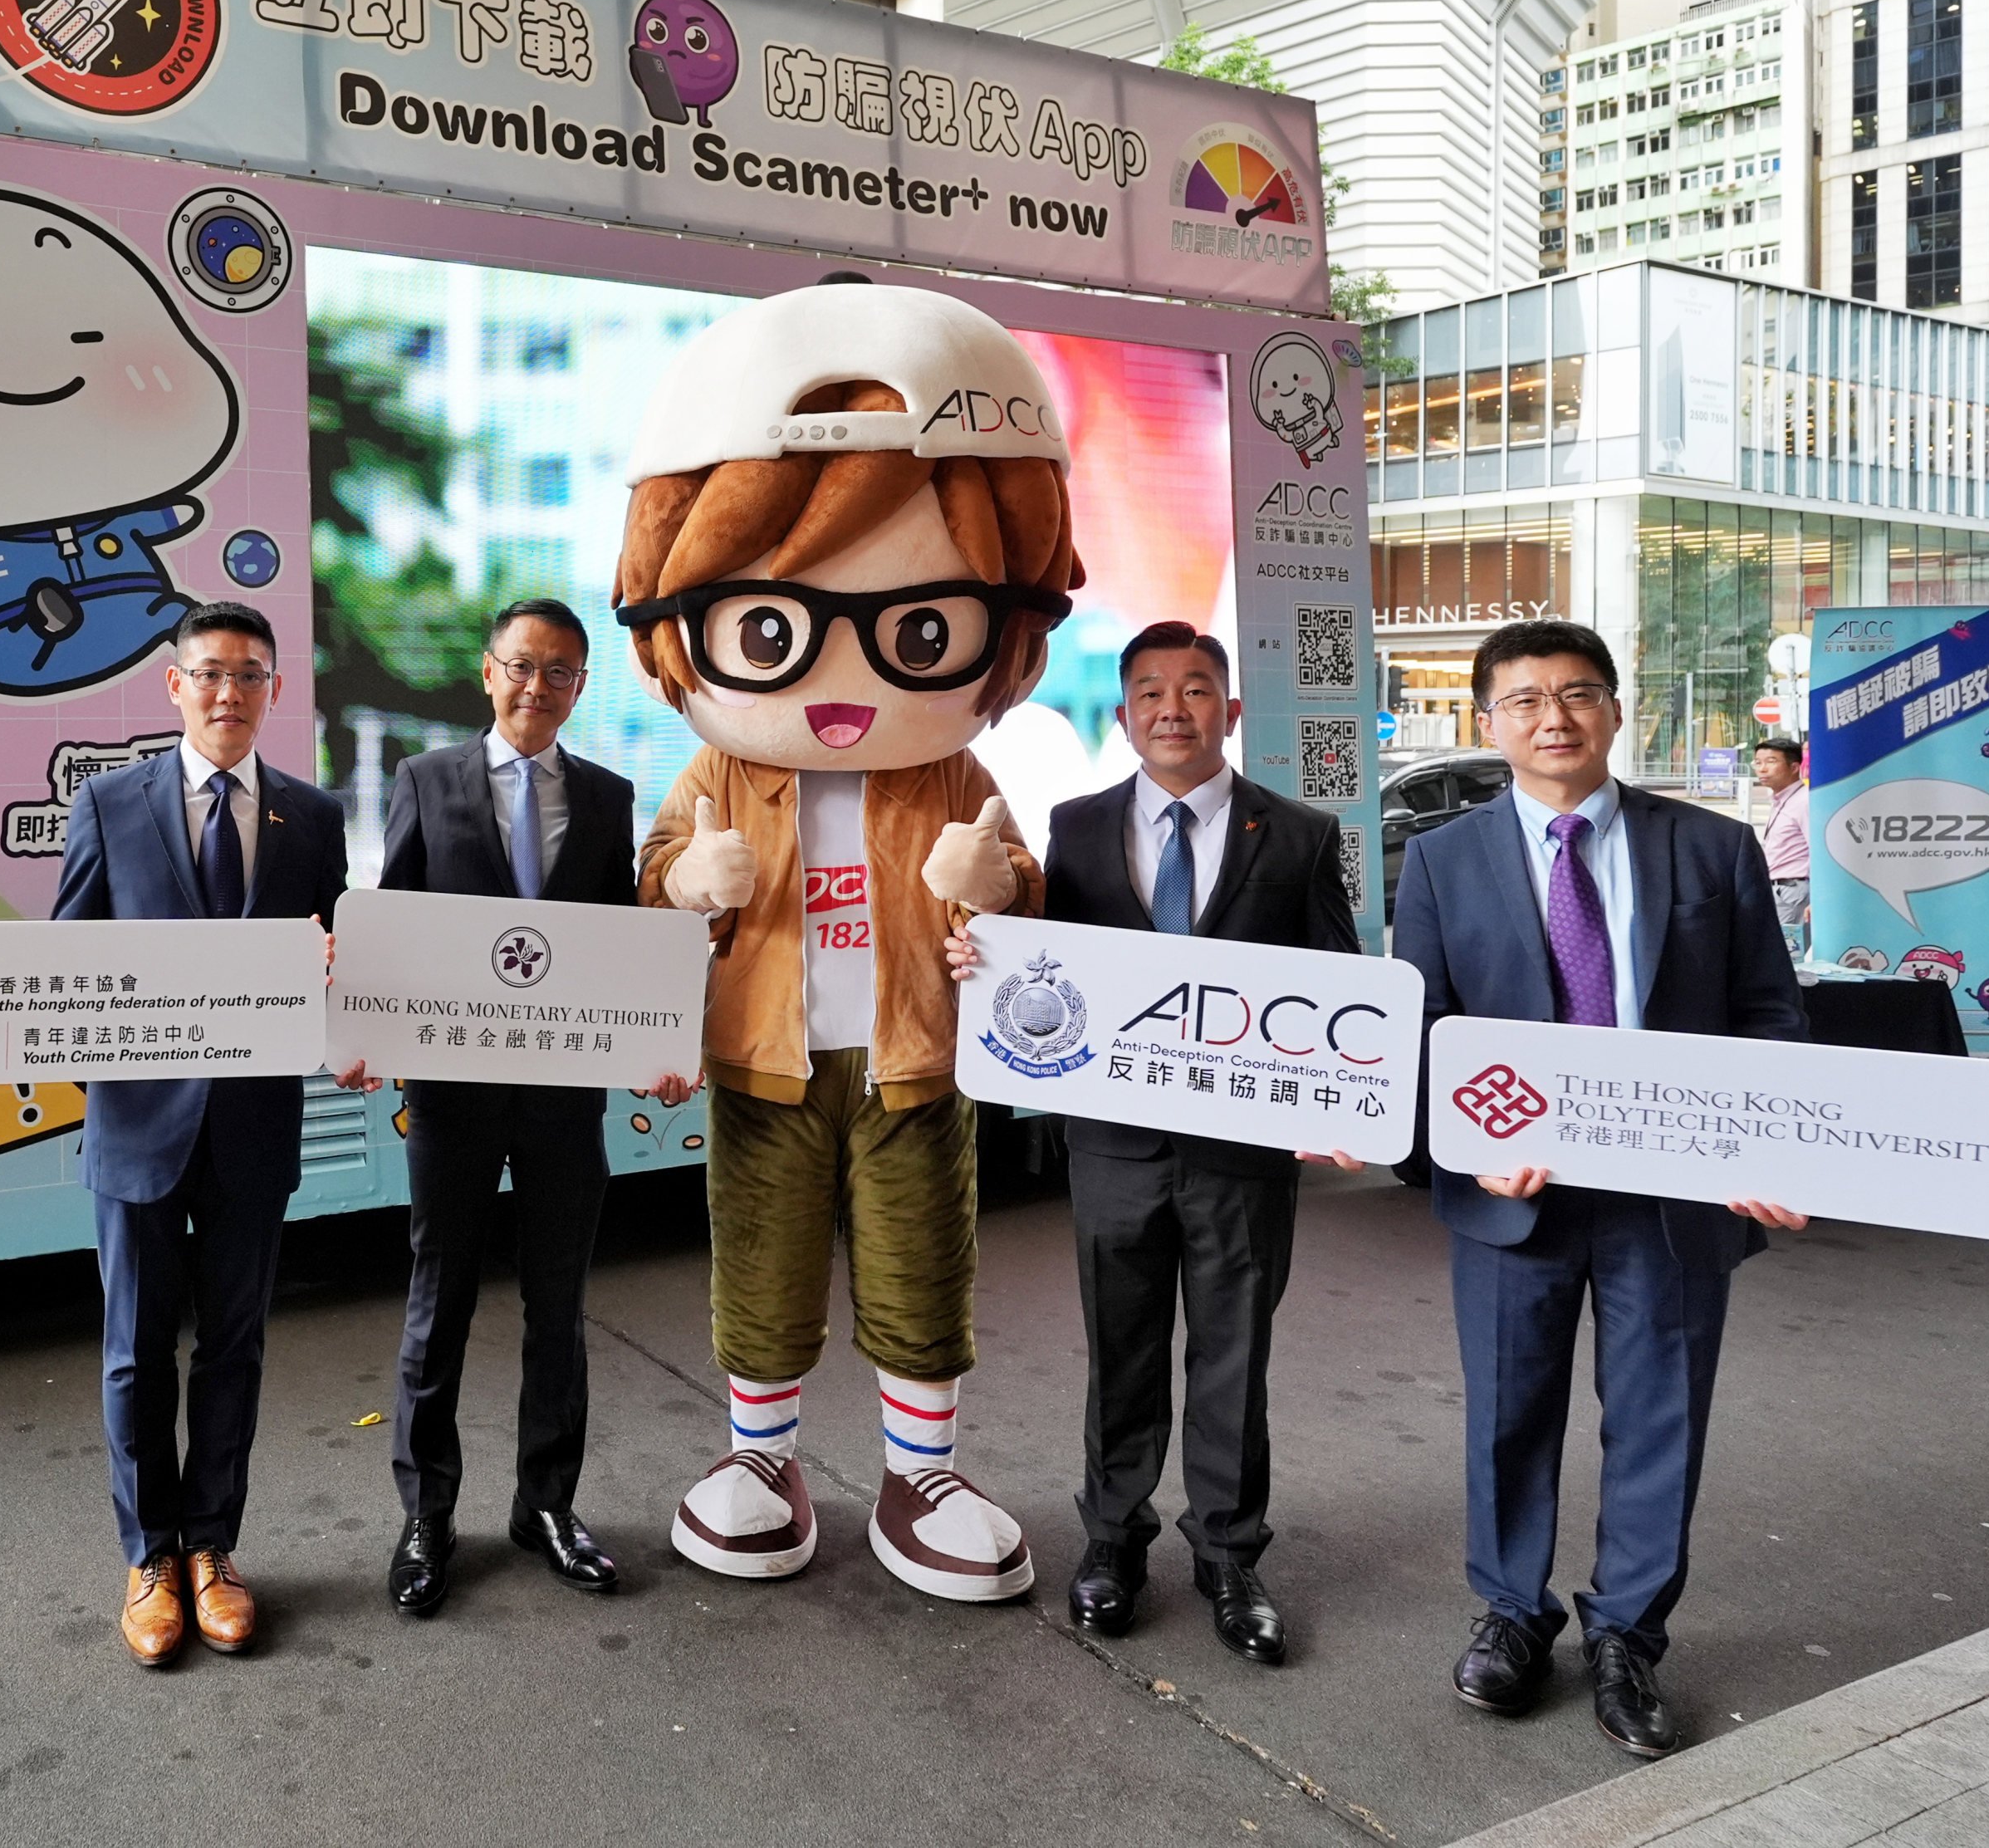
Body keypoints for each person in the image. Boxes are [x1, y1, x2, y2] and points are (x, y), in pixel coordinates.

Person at [615, 280, 1084, 1603]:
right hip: (761, 1058)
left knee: (919, 1254)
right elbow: (653, 883)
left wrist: (1001, 883)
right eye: (769, 626)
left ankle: (918, 1470)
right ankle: (759, 1459)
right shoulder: (715, 768)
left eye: (918, 630)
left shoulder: (940, 772)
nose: (840, 671)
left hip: (908, 1061)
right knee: (758, 1256)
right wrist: (677, 881)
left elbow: (1015, 905)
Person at [0, 601, 364, 1669]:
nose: (229, 692)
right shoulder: (110, 805)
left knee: (235, 1349)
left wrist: (358, 1018)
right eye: (209, 674)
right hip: (138, 1128)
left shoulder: (313, 818)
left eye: (250, 674)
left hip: (252, 1130)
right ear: (174, 687)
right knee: (135, 1353)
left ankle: (213, 1551)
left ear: (276, 691)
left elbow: (343, 965)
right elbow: (50, 978)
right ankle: (148, 1555)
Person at [1393, 619, 1806, 1759]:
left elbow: (1767, 1014)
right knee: (1505, 1413)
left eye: (1575, 694)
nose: (1552, 717)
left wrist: (1767, 1149)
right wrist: (1457, 1143)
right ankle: (1511, 1614)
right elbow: (1418, 1032)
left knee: (1658, 1418)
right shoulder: (1441, 858)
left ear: (1614, 712)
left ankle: (1627, 1632)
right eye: (1522, 699)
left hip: (1669, 1197)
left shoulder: (1709, 849)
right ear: (1489, 725)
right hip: (1509, 1189)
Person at [1018, 621, 1362, 1667]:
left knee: (1232, 1357)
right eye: (1153, 692)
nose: (1175, 708)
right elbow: (1042, 968)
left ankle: (1228, 1555)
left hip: (1242, 1155)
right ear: (1124, 717)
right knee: (1119, 1352)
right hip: (1115, 1148)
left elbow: (1341, 981)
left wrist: (1343, 1105)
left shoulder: (1297, 835)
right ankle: (1113, 1542)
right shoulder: (1073, 830)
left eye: (1198, 689)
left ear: (1231, 710)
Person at [360, 598, 695, 1619]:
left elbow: (619, 951)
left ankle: (546, 1505)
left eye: (560, 672)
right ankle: (428, 1517)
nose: (537, 686)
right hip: (453, 1100)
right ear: (488, 672)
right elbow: (394, 922)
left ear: (579, 687)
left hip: (562, 1103)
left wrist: (657, 1043)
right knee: (439, 1306)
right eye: (522, 666)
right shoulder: (423, 781)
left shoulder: (606, 798)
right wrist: (367, 1027)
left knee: (561, 1312)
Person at [1752, 738, 1809, 940]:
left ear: (1794, 767)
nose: (1762, 769)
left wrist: (1817, 899)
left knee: (1787, 954)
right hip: (1779, 890)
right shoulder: (1780, 800)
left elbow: (1820, 851)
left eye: (1771, 761)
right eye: (1758, 762)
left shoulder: (1804, 801)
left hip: (1793, 891)